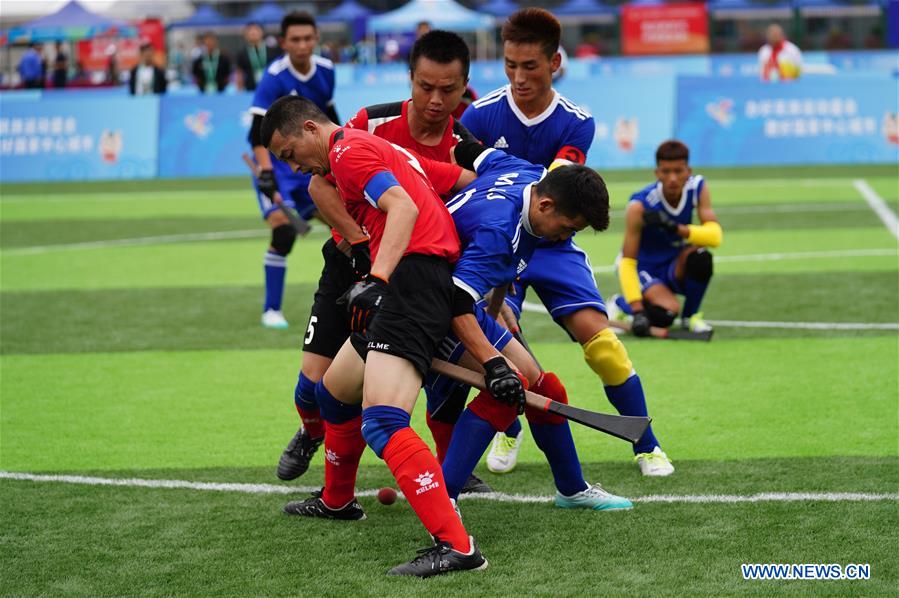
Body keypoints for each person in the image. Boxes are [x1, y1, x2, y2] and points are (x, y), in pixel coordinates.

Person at [261, 95, 497, 577]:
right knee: (335, 391)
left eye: (290, 153)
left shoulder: (349, 153)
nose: (295, 166)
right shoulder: (370, 149)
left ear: (310, 129)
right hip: (417, 279)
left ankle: (457, 547)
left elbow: (402, 209)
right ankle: (337, 500)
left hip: (412, 280)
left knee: (385, 422)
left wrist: (378, 279)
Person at [275, 30, 491, 493]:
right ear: (410, 79)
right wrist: (360, 244)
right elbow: (321, 183)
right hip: (354, 262)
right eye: (425, 86)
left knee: (431, 379)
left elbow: (475, 194)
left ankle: (448, 467)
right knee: (314, 384)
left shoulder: (464, 140)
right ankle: (314, 433)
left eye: (449, 90)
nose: (436, 100)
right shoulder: (368, 125)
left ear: (464, 85)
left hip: (415, 268)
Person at [461, 8, 673, 477]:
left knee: (603, 346)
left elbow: (556, 191)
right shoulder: (478, 115)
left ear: (554, 62)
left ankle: (646, 442)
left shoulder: (577, 121)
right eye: (510, 65)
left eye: (530, 66)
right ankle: (508, 430)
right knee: (496, 341)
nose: (518, 77)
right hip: (497, 243)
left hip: (552, 242)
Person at [435, 142, 633, 511]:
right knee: (505, 388)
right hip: (431, 310)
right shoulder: (499, 231)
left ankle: (571, 490)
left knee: (546, 387)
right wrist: (494, 363)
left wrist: (494, 312)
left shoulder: (529, 174)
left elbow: (466, 146)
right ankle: (442, 502)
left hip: (461, 301)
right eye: (567, 227)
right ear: (546, 206)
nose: (564, 238)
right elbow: (455, 303)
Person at [248, 11, 339, 329]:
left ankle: (355, 294)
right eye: (295, 40)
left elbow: (329, 117)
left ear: (316, 39)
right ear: (284, 42)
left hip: (314, 166)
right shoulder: (274, 77)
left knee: (347, 227)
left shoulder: (326, 71)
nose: (302, 45)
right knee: (285, 231)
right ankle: (271, 309)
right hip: (277, 167)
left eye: (307, 38)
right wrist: (266, 174)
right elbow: (256, 132)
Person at [608, 140, 722, 337]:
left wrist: (676, 228)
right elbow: (627, 262)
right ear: (657, 173)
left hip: (673, 262)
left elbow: (715, 236)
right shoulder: (640, 205)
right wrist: (637, 310)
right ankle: (620, 303)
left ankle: (690, 317)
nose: (672, 178)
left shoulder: (698, 188)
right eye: (666, 171)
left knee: (702, 257)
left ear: (688, 171)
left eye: (678, 171)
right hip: (644, 267)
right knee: (666, 314)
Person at [235, 22, 279, 92]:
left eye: (256, 30)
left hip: (271, 88)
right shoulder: (242, 53)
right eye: (250, 31)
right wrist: (239, 89)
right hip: (250, 89)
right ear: (245, 35)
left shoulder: (272, 50)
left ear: (262, 32)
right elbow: (239, 73)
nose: (253, 32)